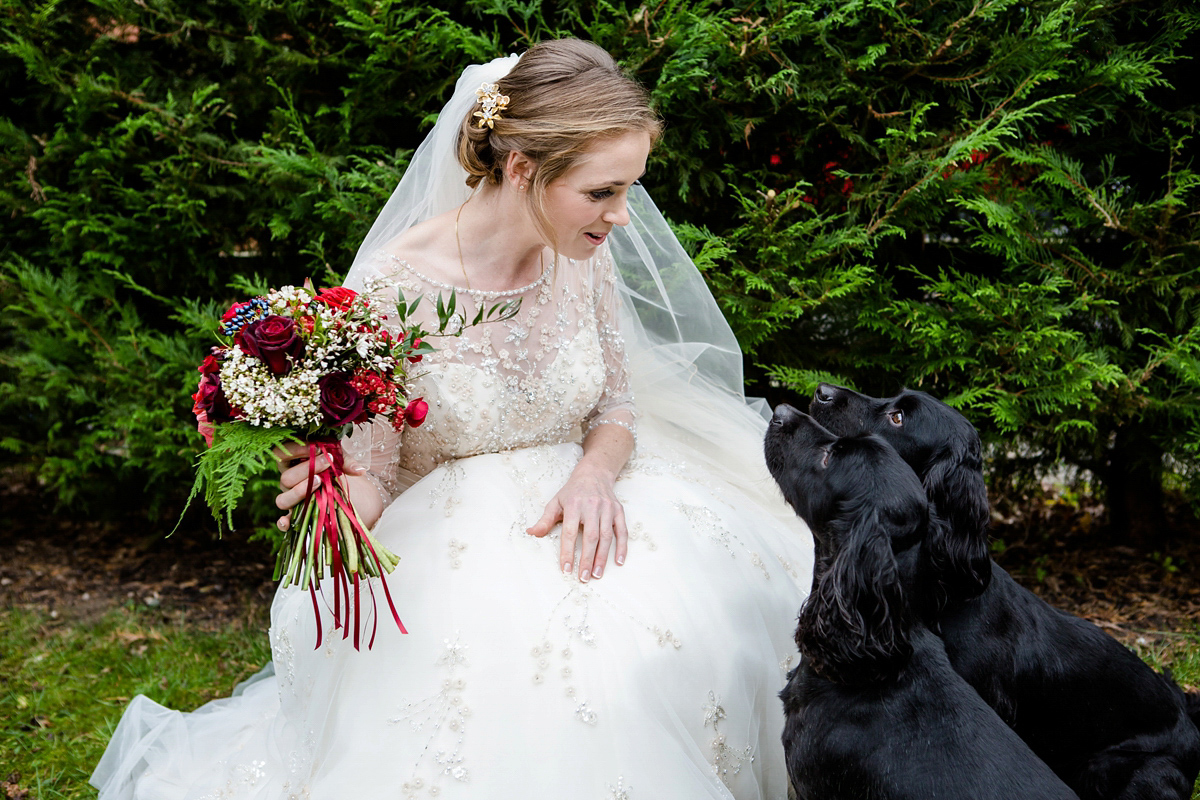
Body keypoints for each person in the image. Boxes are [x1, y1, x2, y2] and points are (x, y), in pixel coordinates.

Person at [92, 39, 813, 800]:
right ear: (523, 168)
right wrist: (333, 505)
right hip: (455, 539)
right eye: (603, 191)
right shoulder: (393, 285)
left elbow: (615, 405)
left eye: (629, 188)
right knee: (576, 684)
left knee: (727, 609)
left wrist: (595, 476)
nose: (622, 216)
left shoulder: (581, 251)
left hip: (589, 495)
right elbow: (373, 469)